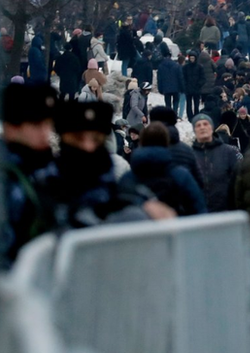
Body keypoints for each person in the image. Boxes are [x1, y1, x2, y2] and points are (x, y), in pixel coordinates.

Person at [37, 100, 176, 228]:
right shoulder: (44, 185)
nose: (88, 147)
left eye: (96, 139)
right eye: (78, 139)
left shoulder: (119, 182)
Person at [1, 83, 57, 267]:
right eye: (35, 125)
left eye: (48, 124)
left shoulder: (42, 166)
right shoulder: (7, 172)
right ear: (11, 127)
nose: (45, 133)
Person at [121, 122, 207, 216]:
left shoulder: (127, 179)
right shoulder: (181, 175)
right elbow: (199, 211)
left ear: (142, 142)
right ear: (166, 142)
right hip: (176, 228)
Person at [191, 113, 242, 213]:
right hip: (197, 214)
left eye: (205, 124)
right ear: (194, 130)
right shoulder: (190, 154)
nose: (202, 127)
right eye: (198, 125)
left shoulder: (228, 152)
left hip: (224, 211)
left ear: (212, 127)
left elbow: (238, 181)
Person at [183, 50, 205, 119]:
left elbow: (203, 78)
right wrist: (185, 85)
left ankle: (196, 114)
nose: (192, 60)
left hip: (196, 88)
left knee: (196, 104)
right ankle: (189, 115)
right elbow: (183, 77)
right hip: (188, 88)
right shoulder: (185, 67)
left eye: (193, 58)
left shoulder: (199, 67)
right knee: (188, 104)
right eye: (191, 58)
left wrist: (199, 85)